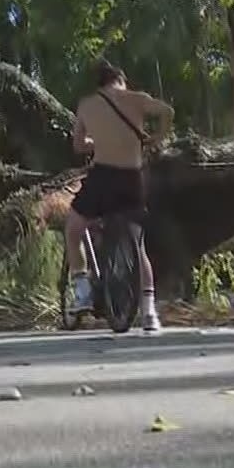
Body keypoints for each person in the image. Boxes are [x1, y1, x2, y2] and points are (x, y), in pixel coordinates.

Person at [65, 60, 174, 333]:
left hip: (103, 177)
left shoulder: (87, 104)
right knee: (138, 244)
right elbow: (167, 111)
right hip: (132, 178)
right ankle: (149, 314)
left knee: (74, 228)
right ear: (121, 81)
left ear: (100, 84)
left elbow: (78, 145)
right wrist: (157, 137)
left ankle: (82, 293)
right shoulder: (136, 99)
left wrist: (98, 141)